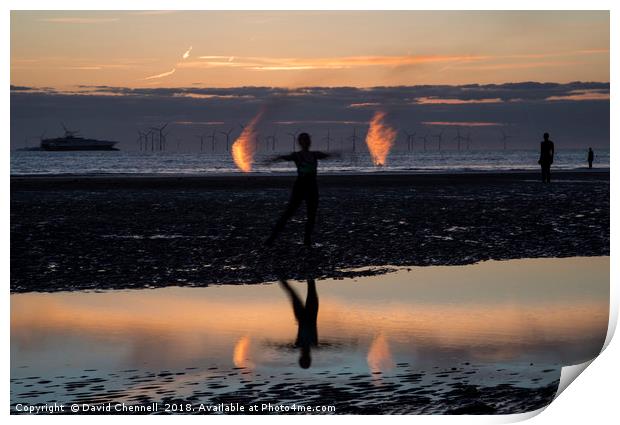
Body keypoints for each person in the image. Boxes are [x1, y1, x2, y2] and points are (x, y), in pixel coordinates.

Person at [265, 133, 337, 246]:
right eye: (304, 140)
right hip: (300, 186)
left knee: (311, 215)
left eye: (307, 140)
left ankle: (307, 240)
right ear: (300, 142)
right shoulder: (297, 155)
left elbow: (327, 155)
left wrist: (336, 154)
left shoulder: (315, 154)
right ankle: (272, 238)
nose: (306, 142)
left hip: (312, 187)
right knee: (288, 213)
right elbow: (284, 158)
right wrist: (273, 159)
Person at [279, 278, 319, 369]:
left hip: (307, 316)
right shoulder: (305, 344)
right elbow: (286, 347)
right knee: (304, 290)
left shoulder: (308, 344)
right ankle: (280, 276)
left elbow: (286, 347)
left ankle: (280, 276)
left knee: (309, 288)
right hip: (307, 316)